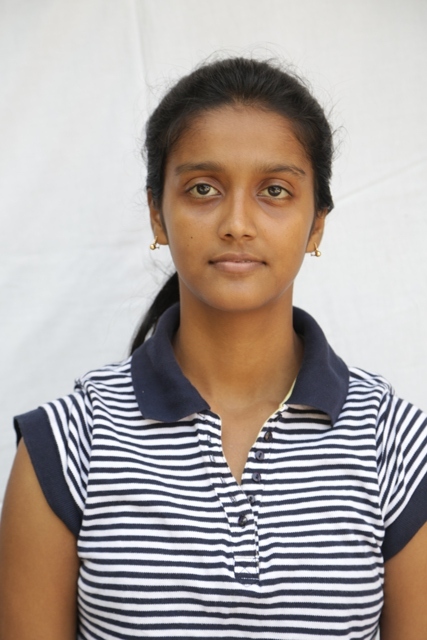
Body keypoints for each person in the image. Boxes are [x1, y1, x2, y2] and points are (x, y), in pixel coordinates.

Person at [0, 57, 426, 640]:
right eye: (203, 189)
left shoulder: (395, 445)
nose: (237, 223)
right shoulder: (68, 445)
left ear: (317, 224)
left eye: (274, 191)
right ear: (158, 213)